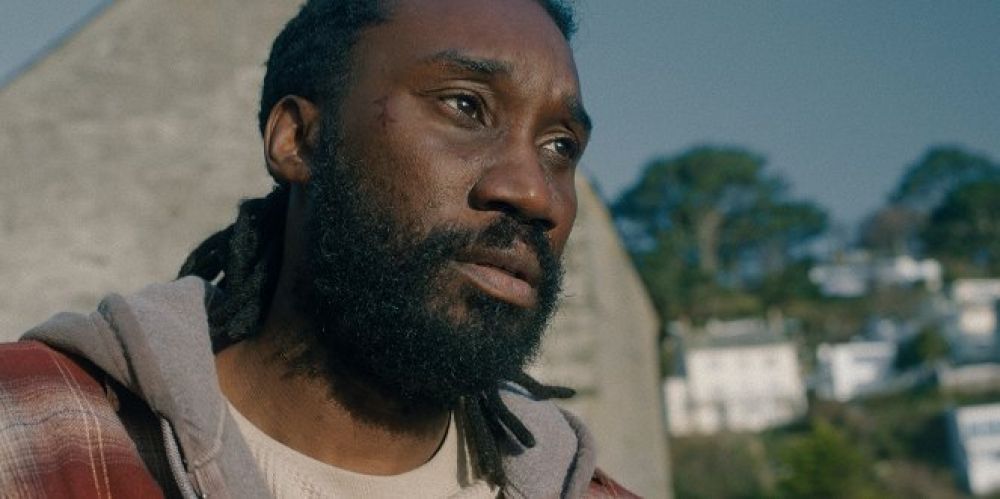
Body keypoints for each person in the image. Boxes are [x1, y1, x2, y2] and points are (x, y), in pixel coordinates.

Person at [0, 0, 637, 497]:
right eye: (466, 105)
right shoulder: (28, 439)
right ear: (298, 140)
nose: (536, 193)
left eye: (561, 146)